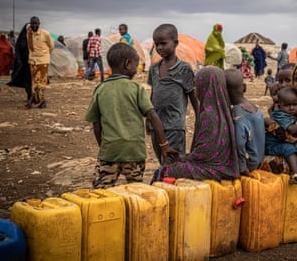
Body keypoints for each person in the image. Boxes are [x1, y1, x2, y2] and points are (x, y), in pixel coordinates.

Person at [85, 43, 179, 189]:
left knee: (100, 193)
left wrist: (103, 147)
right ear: (127, 64)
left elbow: (96, 124)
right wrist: (164, 145)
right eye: (136, 65)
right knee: (137, 192)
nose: (136, 69)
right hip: (134, 153)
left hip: (109, 152)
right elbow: (153, 116)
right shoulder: (136, 89)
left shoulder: (100, 89)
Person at [152, 66, 239, 182]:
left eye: (197, 85)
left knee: (165, 171)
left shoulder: (208, 114)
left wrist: (183, 158)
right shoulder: (223, 108)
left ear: (205, 87)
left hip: (213, 168)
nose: (195, 90)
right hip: (223, 163)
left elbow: (203, 155)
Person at [147, 23, 199, 164]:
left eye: (163, 43)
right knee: (162, 161)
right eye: (156, 44)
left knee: (173, 164)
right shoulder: (154, 69)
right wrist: (148, 119)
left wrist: (200, 119)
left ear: (175, 43)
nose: (159, 48)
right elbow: (153, 94)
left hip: (174, 127)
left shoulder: (184, 69)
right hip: (156, 127)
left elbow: (193, 96)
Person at [265, 87, 297, 184]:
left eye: (295, 104)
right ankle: (295, 174)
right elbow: (292, 129)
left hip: (277, 143)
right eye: (287, 105)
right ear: (280, 106)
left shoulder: (285, 111)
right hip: (272, 146)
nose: (292, 108)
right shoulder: (280, 115)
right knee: (289, 148)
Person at [226, 68, 265, 177]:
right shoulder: (256, 109)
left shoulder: (238, 113)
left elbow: (239, 142)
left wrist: (242, 168)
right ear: (244, 87)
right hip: (259, 158)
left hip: (249, 163)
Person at [26, 16, 54, 109]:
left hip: (43, 61)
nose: (34, 26)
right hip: (33, 61)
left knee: (42, 81)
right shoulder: (28, 34)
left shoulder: (45, 34)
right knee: (34, 81)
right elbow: (29, 47)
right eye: (32, 24)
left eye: (36, 24)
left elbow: (51, 46)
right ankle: (34, 98)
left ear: (39, 24)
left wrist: (44, 55)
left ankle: (43, 100)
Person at [8, 23, 32, 102]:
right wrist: (18, 60)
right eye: (28, 29)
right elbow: (17, 50)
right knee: (26, 80)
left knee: (34, 80)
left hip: (33, 63)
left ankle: (34, 96)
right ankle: (29, 96)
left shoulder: (35, 37)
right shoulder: (21, 39)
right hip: (24, 64)